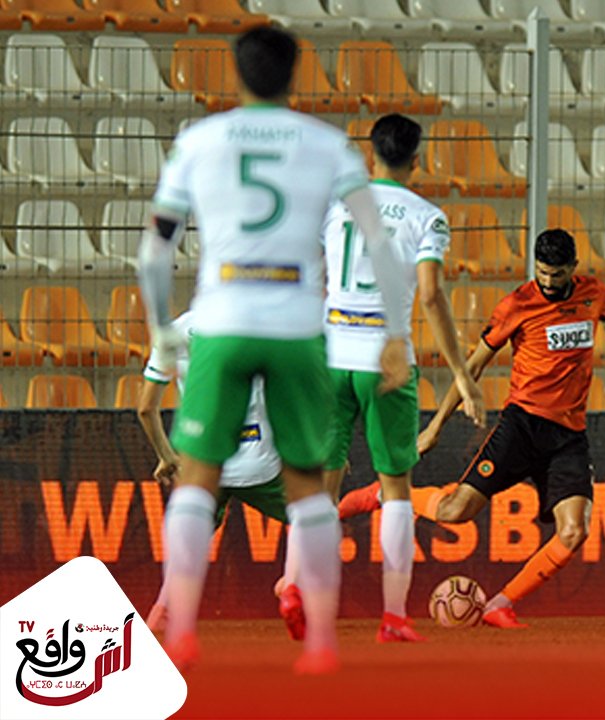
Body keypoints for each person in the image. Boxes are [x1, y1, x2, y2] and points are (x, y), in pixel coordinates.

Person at [136, 26, 412, 674]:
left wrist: (160, 326)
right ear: (296, 75)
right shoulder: (328, 146)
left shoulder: (199, 142)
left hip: (223, 317)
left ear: (236, 73)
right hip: (296, 324)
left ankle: (181, 632)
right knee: (310, 493)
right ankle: (318, 641)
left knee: (196, 485)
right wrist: (395, 335)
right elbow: (377, 244)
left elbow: (155, 247)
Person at [413, 228, 605, 628]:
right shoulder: (517, 305)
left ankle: (499, 605)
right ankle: (398, 498)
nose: (548, 282)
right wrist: (436, 426)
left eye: (557, 274)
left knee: (574, 531)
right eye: (542, 272)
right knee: (455, 512)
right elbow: (472, 365)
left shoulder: (592, 293)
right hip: (522, 425)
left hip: (568, 436)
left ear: (572, 269)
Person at [319, 113, 485, 643]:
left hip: (330, 353)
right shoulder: (427, 217)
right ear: (418, 159)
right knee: (396, 489)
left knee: (322, 483)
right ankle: (393, 616)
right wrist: (463, 375)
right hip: (386, 359)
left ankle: (297, 586)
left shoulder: (336, 205)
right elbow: (431, 295)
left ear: (371, 156)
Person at [136, 311, 303, 641]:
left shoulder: (173, 334)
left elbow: (145, 409)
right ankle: (291, 586)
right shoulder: (261, 325)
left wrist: (167, 456)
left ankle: (162, 608)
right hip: (259, 461)